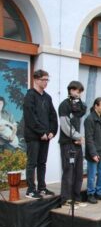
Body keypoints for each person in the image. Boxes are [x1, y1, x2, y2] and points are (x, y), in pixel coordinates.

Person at [23, 70, 58, 199]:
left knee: (42, 163)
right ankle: (31, 190)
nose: (46, 82)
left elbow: (52, 116)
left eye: (47, 79)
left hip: (45, 137)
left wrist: (52, 132)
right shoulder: (30, 96)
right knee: (32, 163)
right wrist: (41, 132)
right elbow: (30, 117)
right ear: (36, 80)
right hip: (33, 136)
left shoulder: (47, 97)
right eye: (44, 79)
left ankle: (42, 188)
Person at [58, 81, 87, 206]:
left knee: (78, 172)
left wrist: (78, 101)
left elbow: (83, 111)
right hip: (68, 142)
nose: (78, 93)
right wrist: (78, 136)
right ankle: (66, 198)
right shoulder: (64, 105)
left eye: (80, 91)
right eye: (76, 90)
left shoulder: (78, 105)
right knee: (68, 171)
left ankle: (76, 197)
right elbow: (65, 126)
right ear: (70, 90)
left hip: (77, 142)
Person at [84, 97, 101, 204]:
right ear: (96, 106)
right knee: (91, 175)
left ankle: (99, 193)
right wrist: (93, 153)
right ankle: (90, 194)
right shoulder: (89, 119)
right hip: (93, 153)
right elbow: (89, 138)